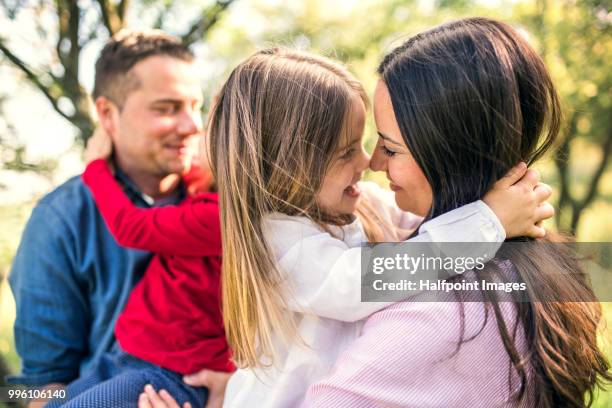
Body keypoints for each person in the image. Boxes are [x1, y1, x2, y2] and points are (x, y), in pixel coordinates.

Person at [138, 47, 553, 408]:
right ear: (290, 169)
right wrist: (489, 220)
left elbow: (430, 221)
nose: (369, 161)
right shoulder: (282, 246)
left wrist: (501, 203)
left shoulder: (355, 206)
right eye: (346, 152)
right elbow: (373, 277)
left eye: (369, 142)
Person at [303, 17, 612, 407]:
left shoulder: (446, 311)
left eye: (391, 148)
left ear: (451, 156)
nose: (375, 163)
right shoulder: (537, 265)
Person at [7, 29, 205, 403]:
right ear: (107, 114)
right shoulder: (59, 221)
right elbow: (31, 385)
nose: (192, 125)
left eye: (196, 106)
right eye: (167, 108)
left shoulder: (226, 203)